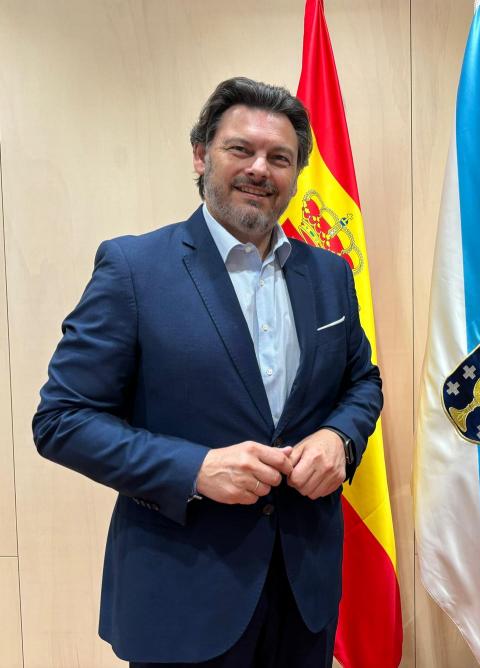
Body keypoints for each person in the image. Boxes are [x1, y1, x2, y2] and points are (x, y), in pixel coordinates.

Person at [32, 76, 382, 667]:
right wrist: (195, 468)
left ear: (296, 174)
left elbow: (361, 381)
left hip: (305, 593)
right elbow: (62, 420)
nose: (260, 169)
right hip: (181, 597)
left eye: (279, 158)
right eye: (240, 150)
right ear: (201, 154)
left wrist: (340, 437)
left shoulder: (330, 274)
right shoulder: (133, 268)